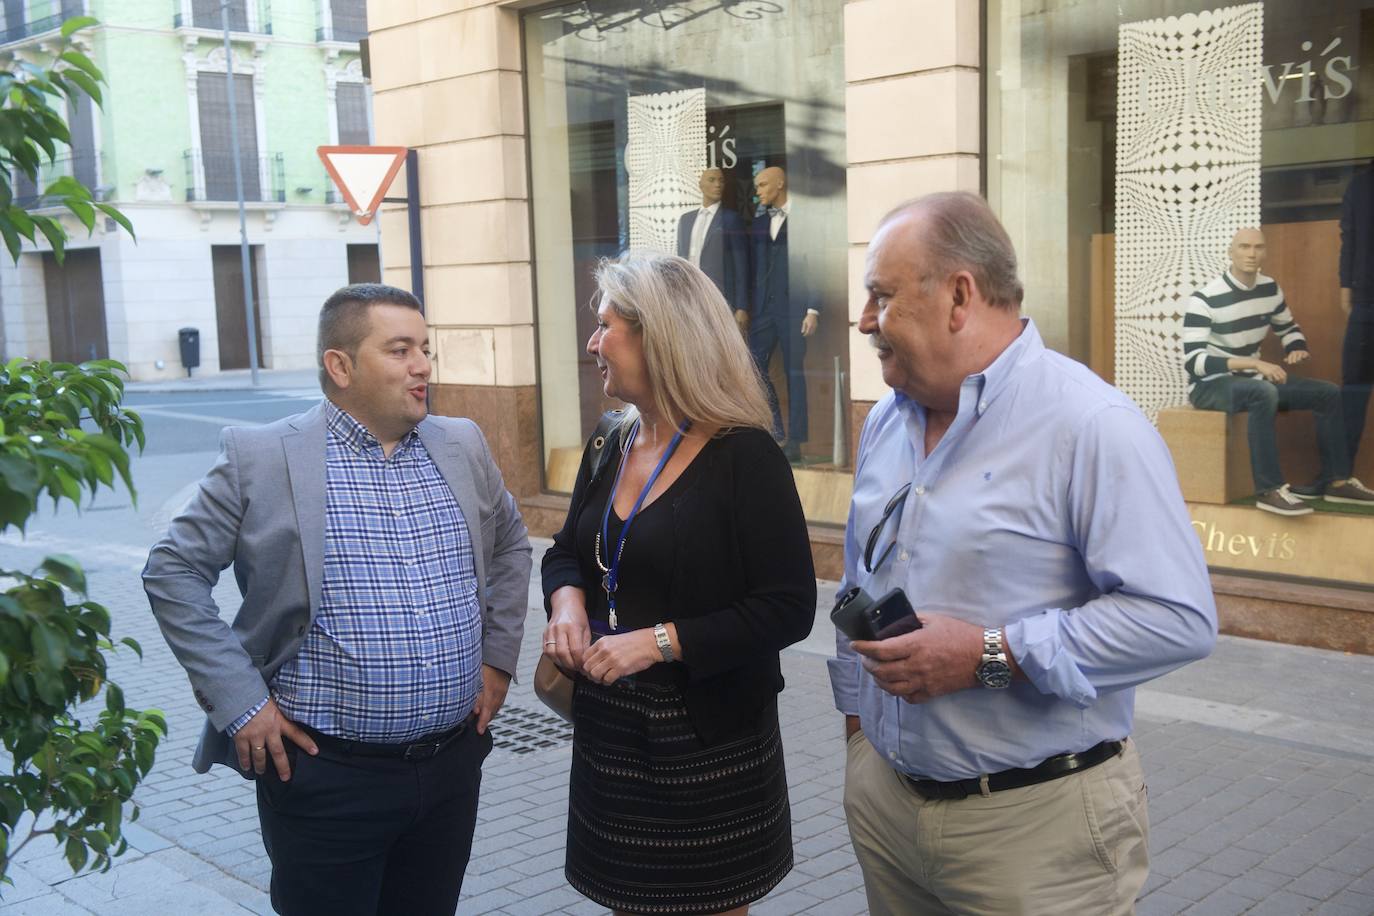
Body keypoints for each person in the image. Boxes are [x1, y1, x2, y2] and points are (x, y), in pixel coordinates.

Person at [829, 192, 1218, 915]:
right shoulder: (886, 421)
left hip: (1035, 833)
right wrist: (861, 746)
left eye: (880, 297)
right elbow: (862, 575)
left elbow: (1179, 619)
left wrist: (988, 652)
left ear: (959, 296)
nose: (864, 322)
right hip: (888, 810)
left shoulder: (1091, 425)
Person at [143, 283, 532, 916]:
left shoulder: (459, 444)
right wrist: (242, 705)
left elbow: (514, 544)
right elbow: (173, 571)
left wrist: (498, 657)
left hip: (450, 768)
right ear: (341, 365)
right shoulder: (262, 457)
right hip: (326, 778)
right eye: (400, 350)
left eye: (425, 349)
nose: (422, 366)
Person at [541, 251, 816, 915]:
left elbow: (789, 608)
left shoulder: (744, 456)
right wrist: (568, 603)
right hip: (609, 735)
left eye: (607, 326)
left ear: (659, 337)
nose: (592, 342)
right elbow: (565, 551)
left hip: (707, 745)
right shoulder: (610, 439)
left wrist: (659, 641)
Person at [1184, 227, 1374, 515]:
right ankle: (1269, 490)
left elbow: (1287, 327)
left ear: (1265, 252)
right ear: (1230, 253)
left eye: (1258, 247)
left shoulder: (1269, 288)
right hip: (1211, 385)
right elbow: (1195, 363)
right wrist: (1254, 363)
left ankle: (1336, 482)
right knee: (1263, 391)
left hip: (1255, 380)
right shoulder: (1205, 298)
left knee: (1327, 393)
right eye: (1244, 247)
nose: (1251, 254)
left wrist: (1294, 346)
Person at [747, 166, 819, 462]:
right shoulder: (760, 223)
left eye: (763, 184)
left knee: (795, 374)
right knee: (754, 367)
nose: (758, 191)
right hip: (764, 310)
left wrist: (813, 309)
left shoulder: (806, 219)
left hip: (793, 309)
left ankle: (797, 441)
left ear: (779, 184)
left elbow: (816, 262)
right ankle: (774, 429)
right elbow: (755, 269)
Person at [677, 167, 749, 320]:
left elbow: (741, 266)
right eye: (712, 180)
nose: (718, 185)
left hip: (720, 298)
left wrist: (742, 307)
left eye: (721, 181)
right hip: (690, 297)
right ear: (700, 185)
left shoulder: (731, 220)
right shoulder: (686, 220)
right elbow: (680, 262)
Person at [1339, 163, 1374, 472]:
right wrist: (1346, 289)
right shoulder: (1361, 186)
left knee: (1354, 388)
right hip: (1364, 301)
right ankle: (1341, 476)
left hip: (1363, 300)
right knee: (1353, 389)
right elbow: (1348, 239)